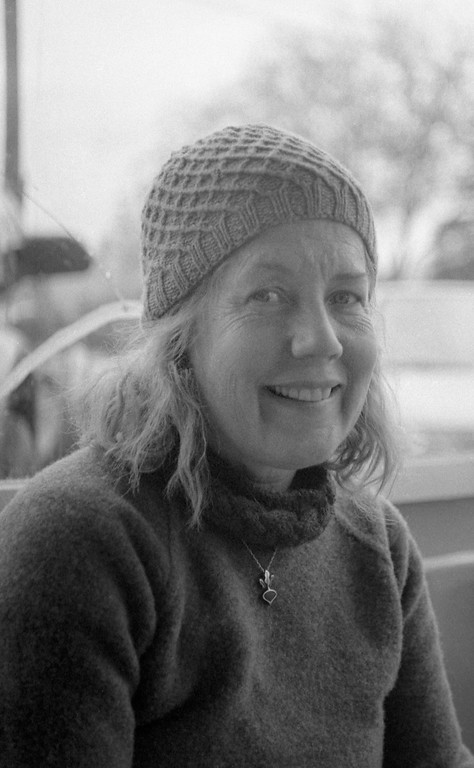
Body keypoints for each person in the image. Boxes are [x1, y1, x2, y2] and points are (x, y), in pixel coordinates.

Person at [0, 124, 472, 768]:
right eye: (268, 295)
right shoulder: (78, 540)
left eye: (346, 297)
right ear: (179, 339)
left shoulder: (378, 544)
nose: (323, 339)